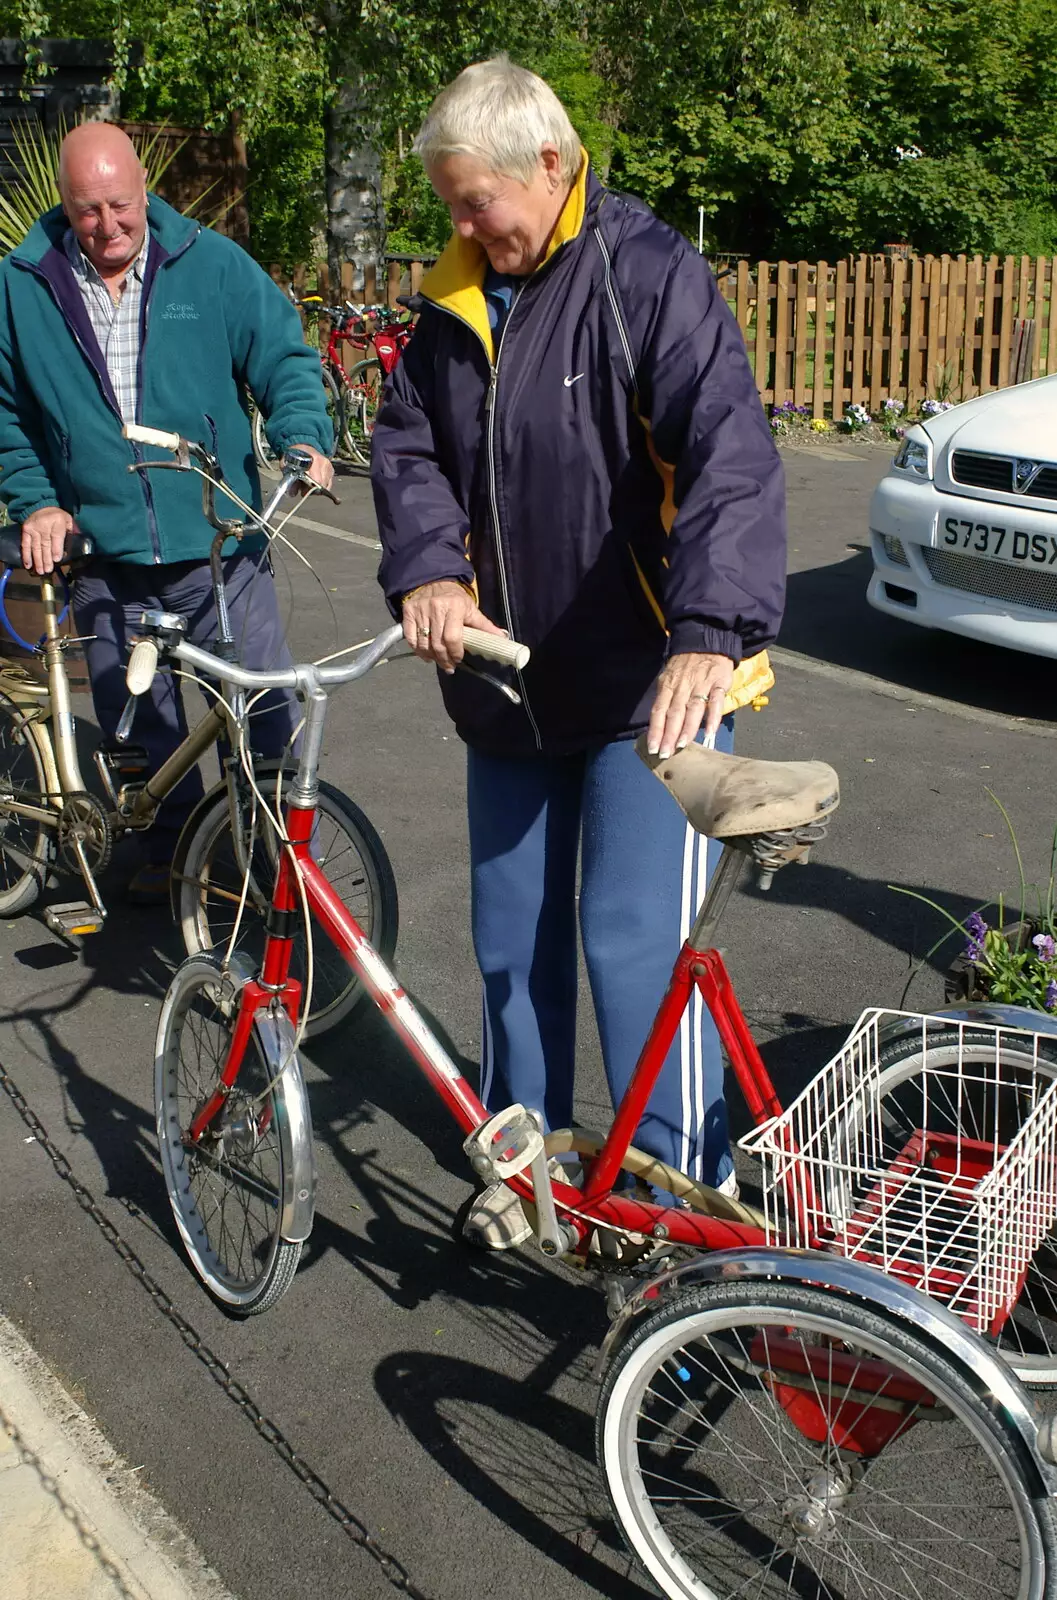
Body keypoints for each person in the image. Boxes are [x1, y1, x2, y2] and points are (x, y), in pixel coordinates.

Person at [371, 57, 786, 1247]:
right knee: (510, 941)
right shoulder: (451, 306)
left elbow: (730, 457)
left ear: (547, 166)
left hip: (646, 688)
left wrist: (709, 635)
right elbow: (404, 450)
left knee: (629, 945)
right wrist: (426, 569)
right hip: (506, 687)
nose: (460, 226)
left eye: (473, 202)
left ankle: (672, 1203)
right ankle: (530, 1163)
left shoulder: (645, 275)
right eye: (449, 205)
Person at [0, 122, 334, 901]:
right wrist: (39, 501)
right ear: (63, 201)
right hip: (107, 554)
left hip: (220, 543)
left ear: (144, 187)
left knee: (260, 709)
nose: (109, 227)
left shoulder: (210, 266)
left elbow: (284, 359)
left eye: (121, 206)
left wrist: (303, 438)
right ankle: (171, 862)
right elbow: (7, 412)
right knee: (136, 725)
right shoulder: (23, 283)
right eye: (88, 212)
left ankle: (276, 863)